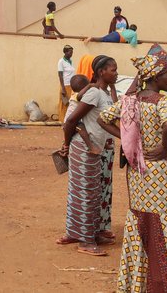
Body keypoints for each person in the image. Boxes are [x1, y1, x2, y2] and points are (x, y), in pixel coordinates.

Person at [96, 46, 167, 289]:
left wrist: (127, 142)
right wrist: (165, 148)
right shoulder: (162, 102)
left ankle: (137, 283)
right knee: (162, 222)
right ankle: (164, 283)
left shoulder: (129, 101)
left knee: (140, 221)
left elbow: (102, 118)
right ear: (156, 77)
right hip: (159, 170)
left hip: (138, 171)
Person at [58, 55, 118, 256]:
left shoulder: (104, 94)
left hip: (93, 149)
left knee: (89, 193)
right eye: (113, 70)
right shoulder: (94, 93)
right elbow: (71, 120)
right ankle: (85, 241)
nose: (116, 73)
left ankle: (81, 233)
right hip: (84, 149)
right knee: (86, 195)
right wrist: (66, 145)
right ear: (101, 72)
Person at [63, 75, 96, 153]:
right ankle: (90, 146)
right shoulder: (77, 96)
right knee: (81, 128)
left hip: (70, 123)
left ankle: (65, 147)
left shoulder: (75, 95)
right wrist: (90, 86)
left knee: (70, 138)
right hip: (70, 123)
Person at [57, 45, 76, 123]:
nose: (71, 54)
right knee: (64, 104)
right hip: (65, 85)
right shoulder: (61, 61)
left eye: (72, 52)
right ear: (65, 52)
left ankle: (69, 120)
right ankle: (63, 121)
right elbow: (60, 75)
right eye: (70, 52)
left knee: (71, 103)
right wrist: (63, 88)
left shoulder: (70, 61)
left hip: (71, 85)